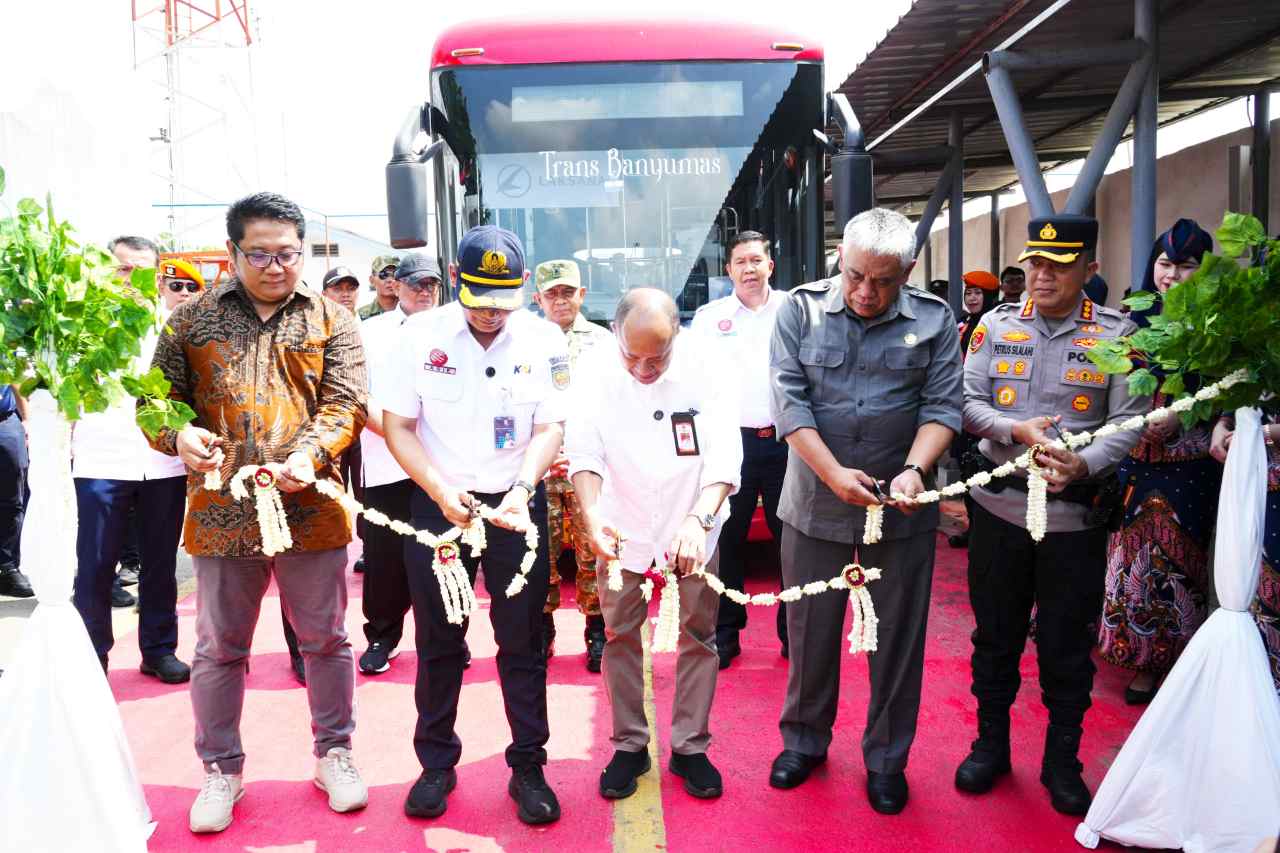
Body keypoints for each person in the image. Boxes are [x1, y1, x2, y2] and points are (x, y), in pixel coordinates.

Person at [146, 192, 369, 833]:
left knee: (325, 639)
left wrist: (310, 453)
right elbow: (157, 402)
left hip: (310, 508)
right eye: (261, 254)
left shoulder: (333, 319)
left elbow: (346, 402)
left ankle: (335, 754)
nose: (276, 266)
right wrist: (177, 436)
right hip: (222, 511)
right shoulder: (190, 320)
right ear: (234, 252)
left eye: (289, 254)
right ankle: (221, 769)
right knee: (219, 649)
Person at [767, 208, 963, 815]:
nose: (865, 292)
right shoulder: (798, 311)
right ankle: (804, 742)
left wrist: (915, 470)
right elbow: (789, 405)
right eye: (854, 275)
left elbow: (943, 408)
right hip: (814, 503)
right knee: (810, 634)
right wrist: (832, 475)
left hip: (901, 508)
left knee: (897, 642)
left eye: (883, 280)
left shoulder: (934, 320)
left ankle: (886, 758)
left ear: (907, 271)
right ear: (839, 261)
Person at [956, 214, 1148, 816]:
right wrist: (1013, 428)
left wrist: (1082, 463)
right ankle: (990, 745)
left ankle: (1061, 760)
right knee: (995, 635)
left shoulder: (1119, 336)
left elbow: (1130, 421)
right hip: (1000, 509)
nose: (1041, 275)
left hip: (1074, 520)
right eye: (1035, 263)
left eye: (1058, 265)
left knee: (1066, 646)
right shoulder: (994, 325)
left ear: (1088, 269)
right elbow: (964, 401)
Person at [381, 225, 566, 825]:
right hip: (441, 506)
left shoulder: (542, 338)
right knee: (439, 640)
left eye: (504, 300)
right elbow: (398, 425)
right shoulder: (419, 336)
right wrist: (438, 488)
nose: (492, 313)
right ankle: (436, 764)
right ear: (458, 281)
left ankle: (528, 766)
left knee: (522, 640)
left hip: (515, 507)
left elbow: (548, 427)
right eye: (480, 299)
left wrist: (521, 490)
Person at [567, 288, 741, 801]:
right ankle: (628, 744)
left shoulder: (708, 366)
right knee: (619, 634)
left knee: (698, 633)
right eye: (632, 356)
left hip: (696, 518)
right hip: (622, 523)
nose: (644, 369)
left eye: (657, 358)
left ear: (678, 338)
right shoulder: (594, 370)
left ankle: (690, 746)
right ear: (616, 334)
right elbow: (584, 451)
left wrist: (698, 518)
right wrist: (594, 515)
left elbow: (724, 457)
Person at [1097, 219, 1219, 704]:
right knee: (1131, 561)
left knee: (1183, 563)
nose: (1170, 275)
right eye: (1164, 264)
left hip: (1191, 465)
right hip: (1135, 459)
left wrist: (1186, 417)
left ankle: (1184, 662)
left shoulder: (1219, 328)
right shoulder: (1133, 321)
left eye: (1185, 266)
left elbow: (1236, 401)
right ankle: (1140, 659)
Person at [72, 237, 192, 681]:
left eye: (143, 270)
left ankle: (158, 650)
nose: (133, 279)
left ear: (159, 277)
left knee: (160, 564)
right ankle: (93, 657)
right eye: (123, 269)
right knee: (97, 565)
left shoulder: (178, 325)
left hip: (163, 463)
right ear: (107, 272)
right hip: (101, 462)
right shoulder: (82, 327)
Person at [689, 230, 788, 668]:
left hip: (788, 442)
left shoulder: (794, 310)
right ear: (728, 270)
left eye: (756, 260)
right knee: (726, 542)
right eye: (740, 262)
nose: (749, 269)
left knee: (792, 543)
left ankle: (793, 633)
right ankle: (726, 633)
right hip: (733, 444)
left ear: (770, 265)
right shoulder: (710, 319)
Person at [355, 252, 442, 675]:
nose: (423, 292)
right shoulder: (369, 333)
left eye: (431, 285)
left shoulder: (459, 326)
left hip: (444, 467)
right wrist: (396, 437)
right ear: (396, 286)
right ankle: (382, 637)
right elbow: (358, 395)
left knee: (441, 558)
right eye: (415, 284)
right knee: (385, 559)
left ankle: (443, 640)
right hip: (386, 462)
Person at [531, 259, 612, 670]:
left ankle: (596, 632)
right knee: (538, 553)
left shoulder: (605, 343)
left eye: (568, 292)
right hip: (539, 468)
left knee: (591, 549)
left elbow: (612, 405)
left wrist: (577, 451)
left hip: (585, 466)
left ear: (582, 295)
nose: (560, 300)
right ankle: (541, 632)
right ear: (537, 298)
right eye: (552, 294)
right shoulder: (523, 341)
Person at [1211, 415, 1280, 692]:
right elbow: (1243, 400)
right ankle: (1258, 691)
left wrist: (1258, 434)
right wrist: (1222, 427)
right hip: (1256, 481)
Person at [0, 384, 31, 599]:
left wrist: (26, 418)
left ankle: (7, 567)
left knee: (13, 499)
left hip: (6, 419)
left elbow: (15, 377)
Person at [358, 255, 400, 320]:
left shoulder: (413, 311)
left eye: (395, 275)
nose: (390, 280)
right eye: (383, 275)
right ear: (372, 280)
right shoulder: (361, 316)